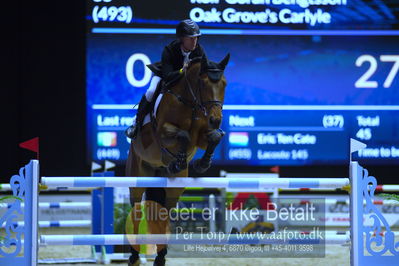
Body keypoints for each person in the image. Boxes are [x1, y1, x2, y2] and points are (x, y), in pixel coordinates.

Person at [125, 19, 208, 139]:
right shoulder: (169, 50)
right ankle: (136, 123)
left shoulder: (199, 51)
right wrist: (182, 71)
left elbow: (203, 71)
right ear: (182, 38)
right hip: (165, 76)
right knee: (151, 91)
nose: (194, 41)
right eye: (191, 38)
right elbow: (168, 76)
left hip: (187, 81)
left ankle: (209, 124)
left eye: (196, 38)